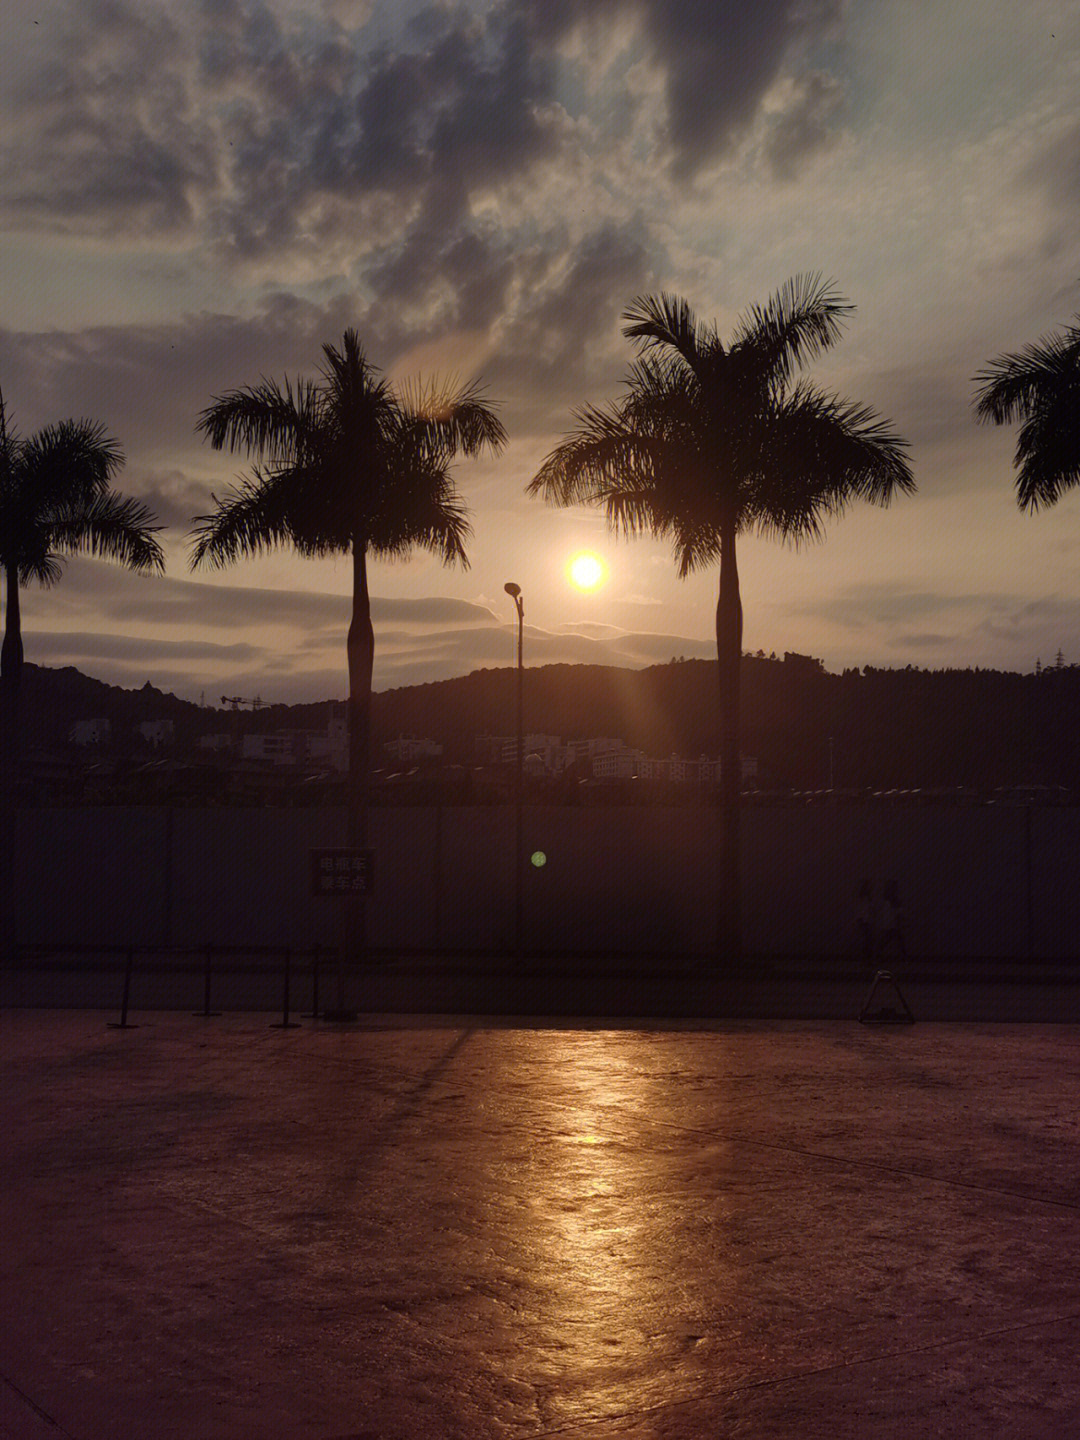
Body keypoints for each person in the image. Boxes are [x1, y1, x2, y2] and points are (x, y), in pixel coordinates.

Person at [877, 880, 907, 961]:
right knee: (897, 939)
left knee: (887, 939)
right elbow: (897, 912)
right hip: (891, 923)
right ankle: (905, 956)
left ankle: (876, 954)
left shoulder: (886, 900)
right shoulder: (893, 900)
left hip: (889, 923)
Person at [855, 880, 874, 967]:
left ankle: (866, 957)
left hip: (865, 920)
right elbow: (864, 910)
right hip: (865, 920)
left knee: (867, 939)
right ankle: (866, 957)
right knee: (867, 939)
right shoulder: (865, 899)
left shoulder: (862, 898)